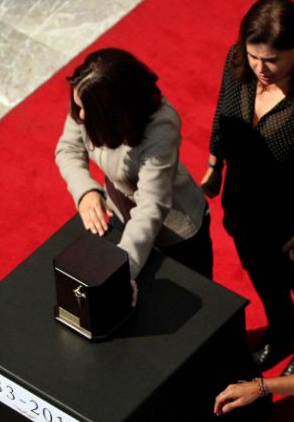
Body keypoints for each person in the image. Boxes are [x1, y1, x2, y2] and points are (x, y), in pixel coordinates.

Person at [201, 0, 294, 375]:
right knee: (264, 278)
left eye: (271, 60)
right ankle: (282, 330)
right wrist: (215, 163)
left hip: (293, 219)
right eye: (254, 56)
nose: (260, 68)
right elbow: (222, 113)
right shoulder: (237, 61)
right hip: (244, 208)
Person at [55, 48, 213, 297]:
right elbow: (69, 149)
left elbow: (151, 205)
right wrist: (85, 191)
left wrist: (120, 272)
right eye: (78, 107)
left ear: (115, 110)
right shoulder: (88, 101)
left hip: (174, 234)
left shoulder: (161, 127)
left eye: (86, 110)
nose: (80, 116)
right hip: (122, 214)